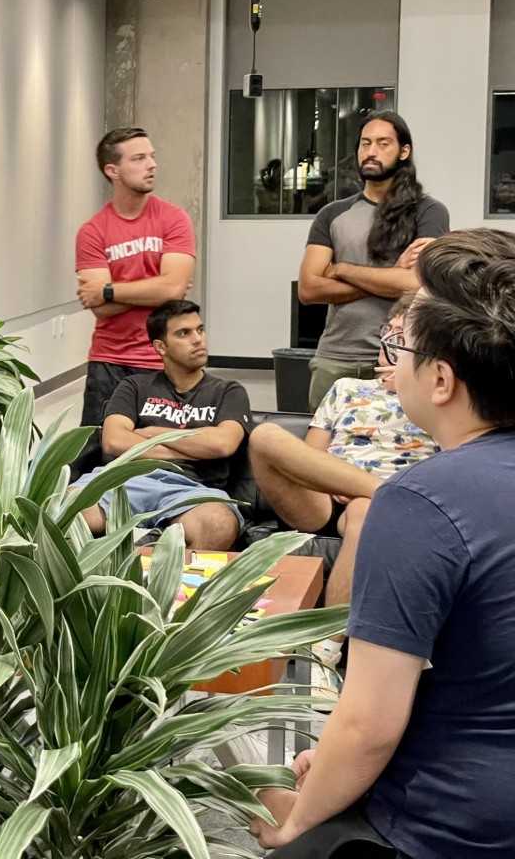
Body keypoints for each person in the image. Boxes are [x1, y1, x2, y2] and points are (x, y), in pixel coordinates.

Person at [251, 228, 515, 859]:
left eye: (403, 345)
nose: (390, 356)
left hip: (446, 827)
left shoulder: (419, 505)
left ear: (442, 379)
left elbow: (369, 727)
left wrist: (296, 821)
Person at [248, 294, 438, 611]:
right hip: (326, 499)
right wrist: (339, 481)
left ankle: (328, 639)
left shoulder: (435, 396)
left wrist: (412, 385)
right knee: (265, 436)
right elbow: (310, 460)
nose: (389, 343)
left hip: (391, 506)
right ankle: (377, 490)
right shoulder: (346, 387)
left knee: (364, 509)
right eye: (388, 332)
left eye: (401, 337)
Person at [297, 112, 449, 410]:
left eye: (383, 143)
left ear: (404, 151)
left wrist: (341, 270)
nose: (371, 151)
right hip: (335, 357)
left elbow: (415, 283)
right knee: (321, 439)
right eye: (365, 143)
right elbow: (309, 289)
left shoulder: (429, 212)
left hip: (401, 358)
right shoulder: (332, 214)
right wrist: (390, 276)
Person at [74, 300, 251, 551]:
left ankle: (175, 575)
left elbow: (222, 444)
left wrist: (154, 433)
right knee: (64, 508)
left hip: (190, 489)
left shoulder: (228, 391)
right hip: (126, 481)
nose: (198, 340)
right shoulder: (134, 386)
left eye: (200, 330)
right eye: (184, 333)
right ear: (161, 346)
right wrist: (196, 447)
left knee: (219, 524)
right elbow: (114, 440)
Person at [72, 127, 196, 478]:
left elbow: (172, 289)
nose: (151, 164)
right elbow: (99, 307)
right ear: (113, 170)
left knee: (164, 458)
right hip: (108, 363)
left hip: (163, 360)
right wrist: (157, 287)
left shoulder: (173, 218)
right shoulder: (93, 231)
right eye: (139, 158)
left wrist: (110, 289)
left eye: (152, 156)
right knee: (98, 460)